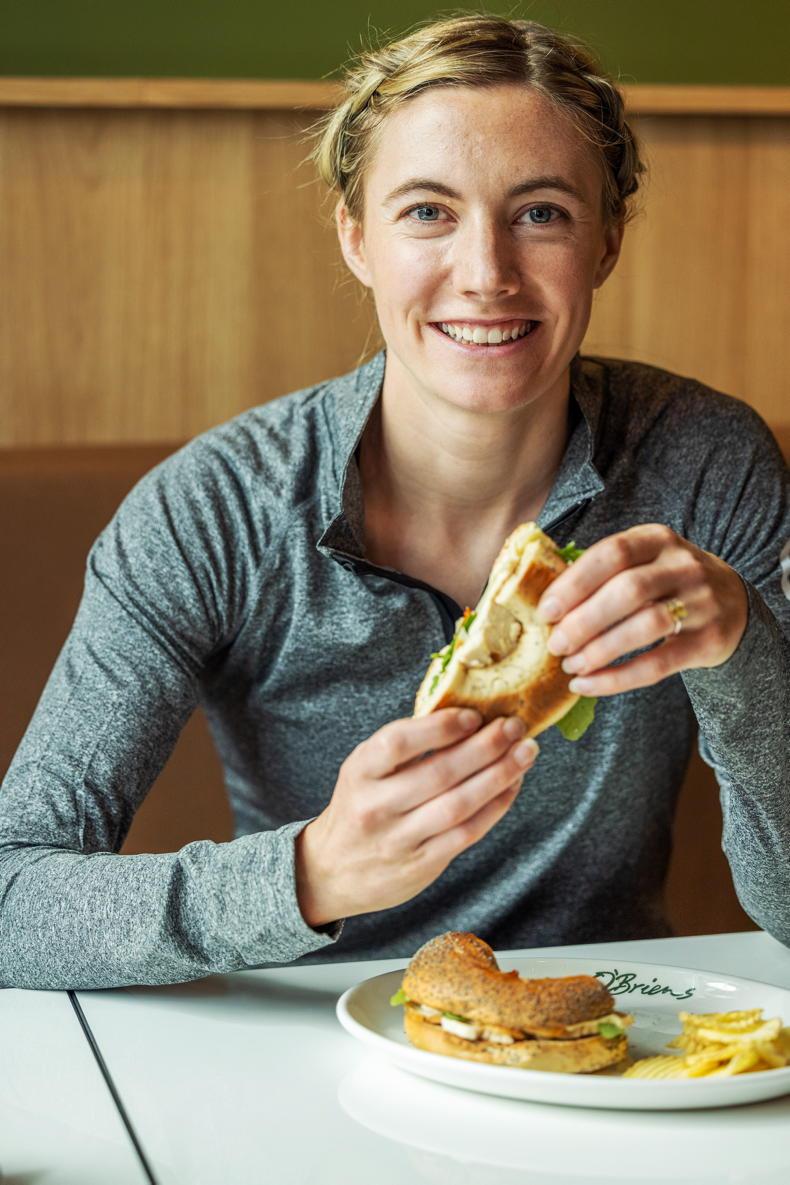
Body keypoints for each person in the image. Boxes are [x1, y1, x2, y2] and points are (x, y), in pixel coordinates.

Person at [1, 14, 787, 991]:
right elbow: (12, 899)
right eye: (426, 211)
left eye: (541, 213)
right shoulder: (214, 510)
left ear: (606, 241)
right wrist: (309, 874)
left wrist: (744, 647)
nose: (487, 273)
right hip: (302, 1037)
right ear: (356, 238)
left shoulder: (705, 462)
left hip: (606, 1028)